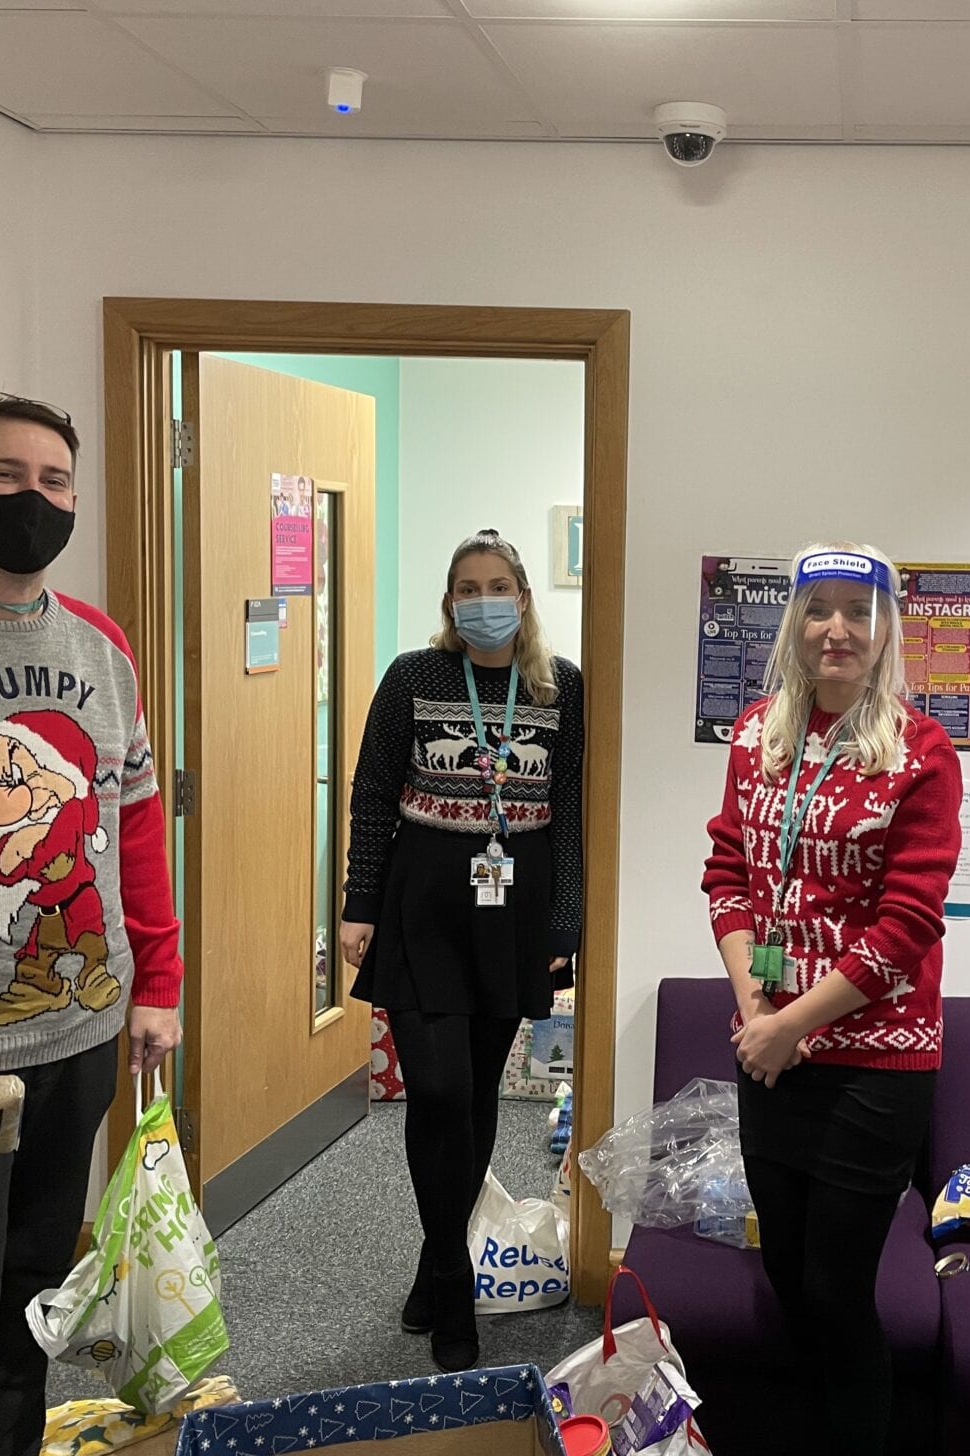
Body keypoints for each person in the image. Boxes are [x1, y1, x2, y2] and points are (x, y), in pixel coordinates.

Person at [0, 391, 182, 1456]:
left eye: (55, 481)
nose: (35, 499)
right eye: (7, 477)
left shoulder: (101, 642)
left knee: (32, 1300)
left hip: (81, 1034)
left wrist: (157, 984)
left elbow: (139, 825)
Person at [702, 543, 962, 1456]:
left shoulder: (921, 752)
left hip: (877, 1060)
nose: (837, 629)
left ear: (886, 628)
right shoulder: (755, 737)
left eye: (859, 610)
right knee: (784, 1270)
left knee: (835, 1289)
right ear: (795, 625)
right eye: (819, 610)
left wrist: (788, 1026)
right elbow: (728, 874)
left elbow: (907, 926)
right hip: (773, 1047)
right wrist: (757, 1013)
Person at [340, 529, 584, 1372]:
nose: (484, 600)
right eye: (467, 588)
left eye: (499, 585)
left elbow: (575, 808)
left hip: (510, 914)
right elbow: (371, 794)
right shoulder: (414, 676)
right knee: (438, 1089)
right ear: (450, 604)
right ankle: (452, 1273)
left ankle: (431, 1251)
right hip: (421, 905)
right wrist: (356, 904)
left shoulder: (561, 687)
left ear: (523, 597)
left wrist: (566, 924)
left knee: (478, 1092)